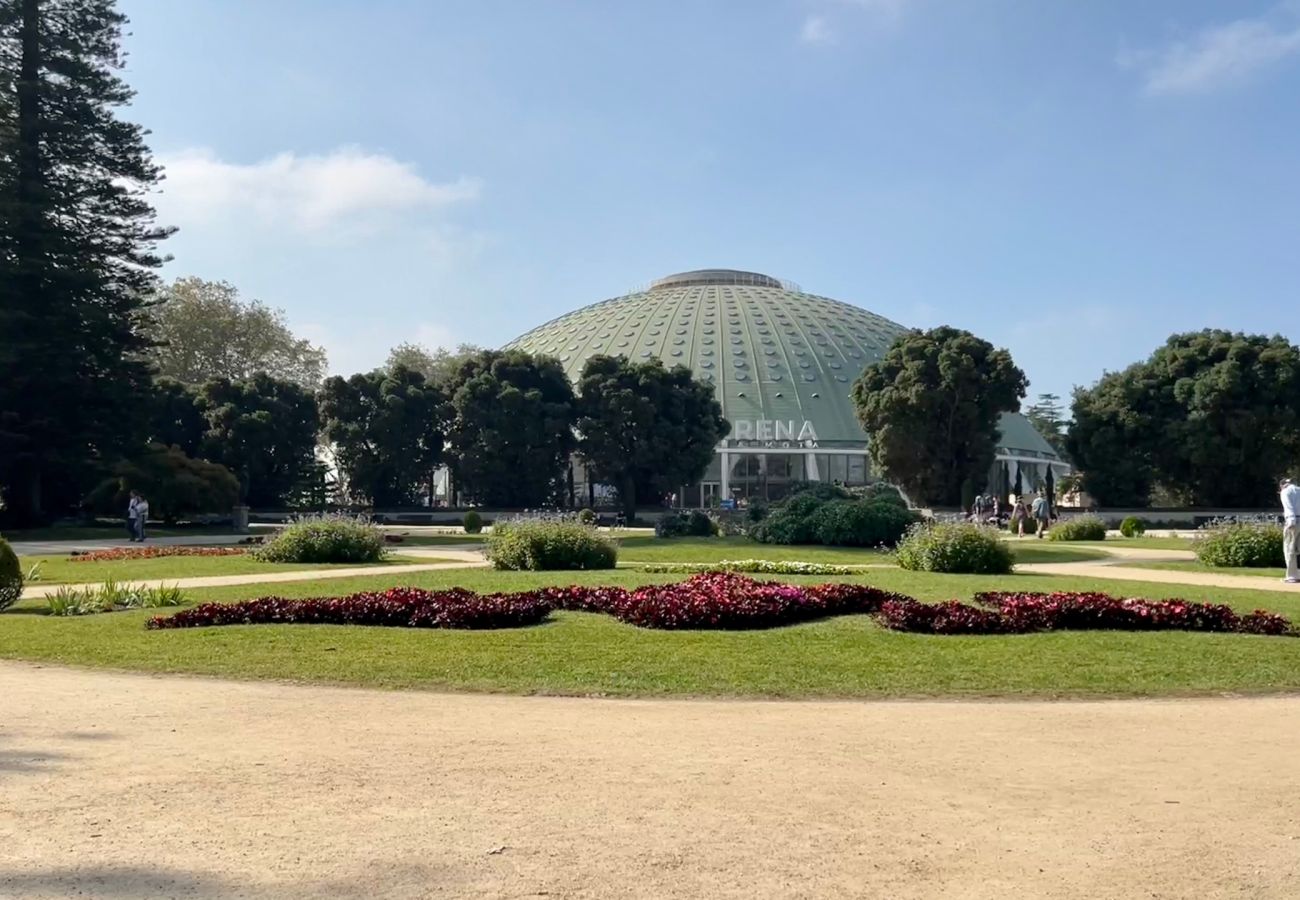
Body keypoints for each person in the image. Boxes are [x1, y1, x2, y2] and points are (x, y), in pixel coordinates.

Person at [1281, 477, 1300, 584]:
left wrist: (1291, 521)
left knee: (1289, 548)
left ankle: (1292, 576)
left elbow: (1288, 506)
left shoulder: (1285, 491)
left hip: (1293, 521)